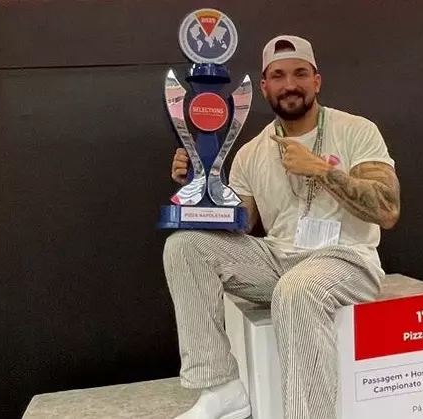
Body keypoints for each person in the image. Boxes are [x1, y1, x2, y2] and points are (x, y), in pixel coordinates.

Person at [163, 34, 401, 419]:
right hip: (278, 258)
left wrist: (322, 170)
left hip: (346, 259)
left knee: (297, 289)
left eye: (299, 73)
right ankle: (221, 388)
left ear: (316, 80)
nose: (289, 84)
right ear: (264, 86)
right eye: (278, 76)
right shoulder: (251, 151)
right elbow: (236, 226)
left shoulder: (356, 129)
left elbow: (388, 210)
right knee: (186, 246)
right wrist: (199, 185)